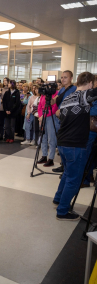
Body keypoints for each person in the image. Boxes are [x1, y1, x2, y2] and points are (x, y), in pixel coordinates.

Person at [53, 72, 97, 221]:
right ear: (90, 83)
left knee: (67, 174)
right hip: (75, 145)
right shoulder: (82, 96)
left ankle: (58, 198)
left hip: (63, 143)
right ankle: (62, 211)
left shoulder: (68, 97)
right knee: (74, 179)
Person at [52, 71, 77, 173]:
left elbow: (73, 104)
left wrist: (62, 110)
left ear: (71, 78)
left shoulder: (74, 89)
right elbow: (55, 100)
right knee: (60, 143)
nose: (63, 79)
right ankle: (63, 164)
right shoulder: (62, 89)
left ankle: (67, 166)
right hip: (60, 119)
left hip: (69, 120)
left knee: (66, 143)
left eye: (65, 77)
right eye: (62, 77)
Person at [37, 88, 59, 167]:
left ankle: (51, 158)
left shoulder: (55, 94)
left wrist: (44, 115)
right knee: (43, 137)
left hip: (50, 116)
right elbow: (39, 106)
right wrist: (40, 116)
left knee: (51, 138)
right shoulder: (43, 94)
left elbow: (54, 107)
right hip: (42, 116)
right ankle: (44, 156)